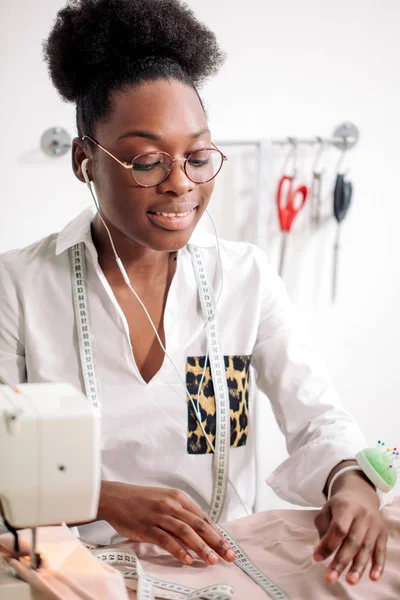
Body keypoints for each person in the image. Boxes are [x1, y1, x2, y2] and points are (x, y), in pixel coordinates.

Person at [0, 0, 387, 587]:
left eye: (199, 156)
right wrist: (101, 497)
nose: (180, 182)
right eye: (148, 161)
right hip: (75, 566)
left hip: (219, 561)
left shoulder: (247, 278)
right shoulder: (20, 286)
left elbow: (319, 421)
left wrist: (350, 482)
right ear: (85, 161)